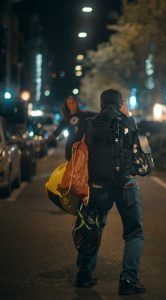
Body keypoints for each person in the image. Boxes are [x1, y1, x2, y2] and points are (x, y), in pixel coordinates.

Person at [75, 89, 147, 295]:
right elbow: (144, 152)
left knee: (92, 229)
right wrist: (128, 115)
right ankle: (128, 280)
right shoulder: (129, 122)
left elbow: (81, 151)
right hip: (126, 185)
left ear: (101, 103)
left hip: (98, 186)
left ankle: (84, 275)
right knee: (134, 233)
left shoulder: (90, 123)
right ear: (120, 104)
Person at [46, 95, 96, 161]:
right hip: (70, 149)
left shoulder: (85, 114)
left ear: (76, 103)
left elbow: (100, 116)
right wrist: (45, 141)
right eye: (69, 103)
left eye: (73, 102)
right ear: (67, 106)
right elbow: (57, 132)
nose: (71, 105)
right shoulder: (66, 118)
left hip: (83, 148)